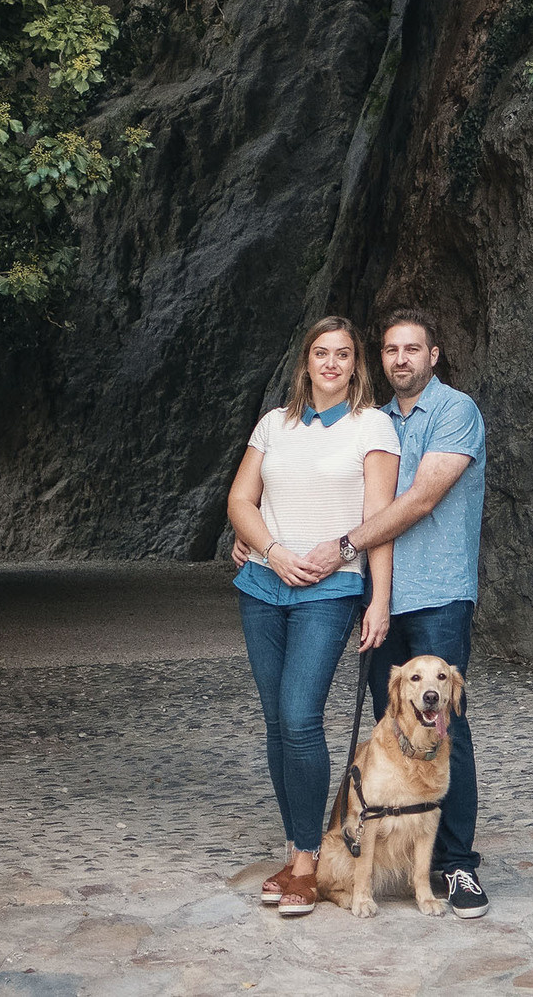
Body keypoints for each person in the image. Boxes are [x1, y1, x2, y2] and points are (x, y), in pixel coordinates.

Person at [290, 311, 488, 919]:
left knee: (446, 725)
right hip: (380, 597)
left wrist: (345, 545)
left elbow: (420, 499)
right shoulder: (373, 422)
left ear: (435, 354)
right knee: (392, 731)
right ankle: (386, 857)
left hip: (437, 594)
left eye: (413, 349)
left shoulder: (456, 411)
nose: (401, 359)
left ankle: (457, 865)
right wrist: (258, 538)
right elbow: (324, 487)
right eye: (391, 350)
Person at [225, 314, 398, 919]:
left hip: (331, 590)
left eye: (342, 354)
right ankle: (297, 848)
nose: (331, 363)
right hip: (262, 585)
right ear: (306, 361)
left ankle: (308, 865)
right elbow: (240, 500)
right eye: (321, 352)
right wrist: (271, 550)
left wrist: (379, 599)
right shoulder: (274, 423)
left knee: (300, 718)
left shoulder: (372, 426)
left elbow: (379, 520)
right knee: (277, 722)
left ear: (356, 365)